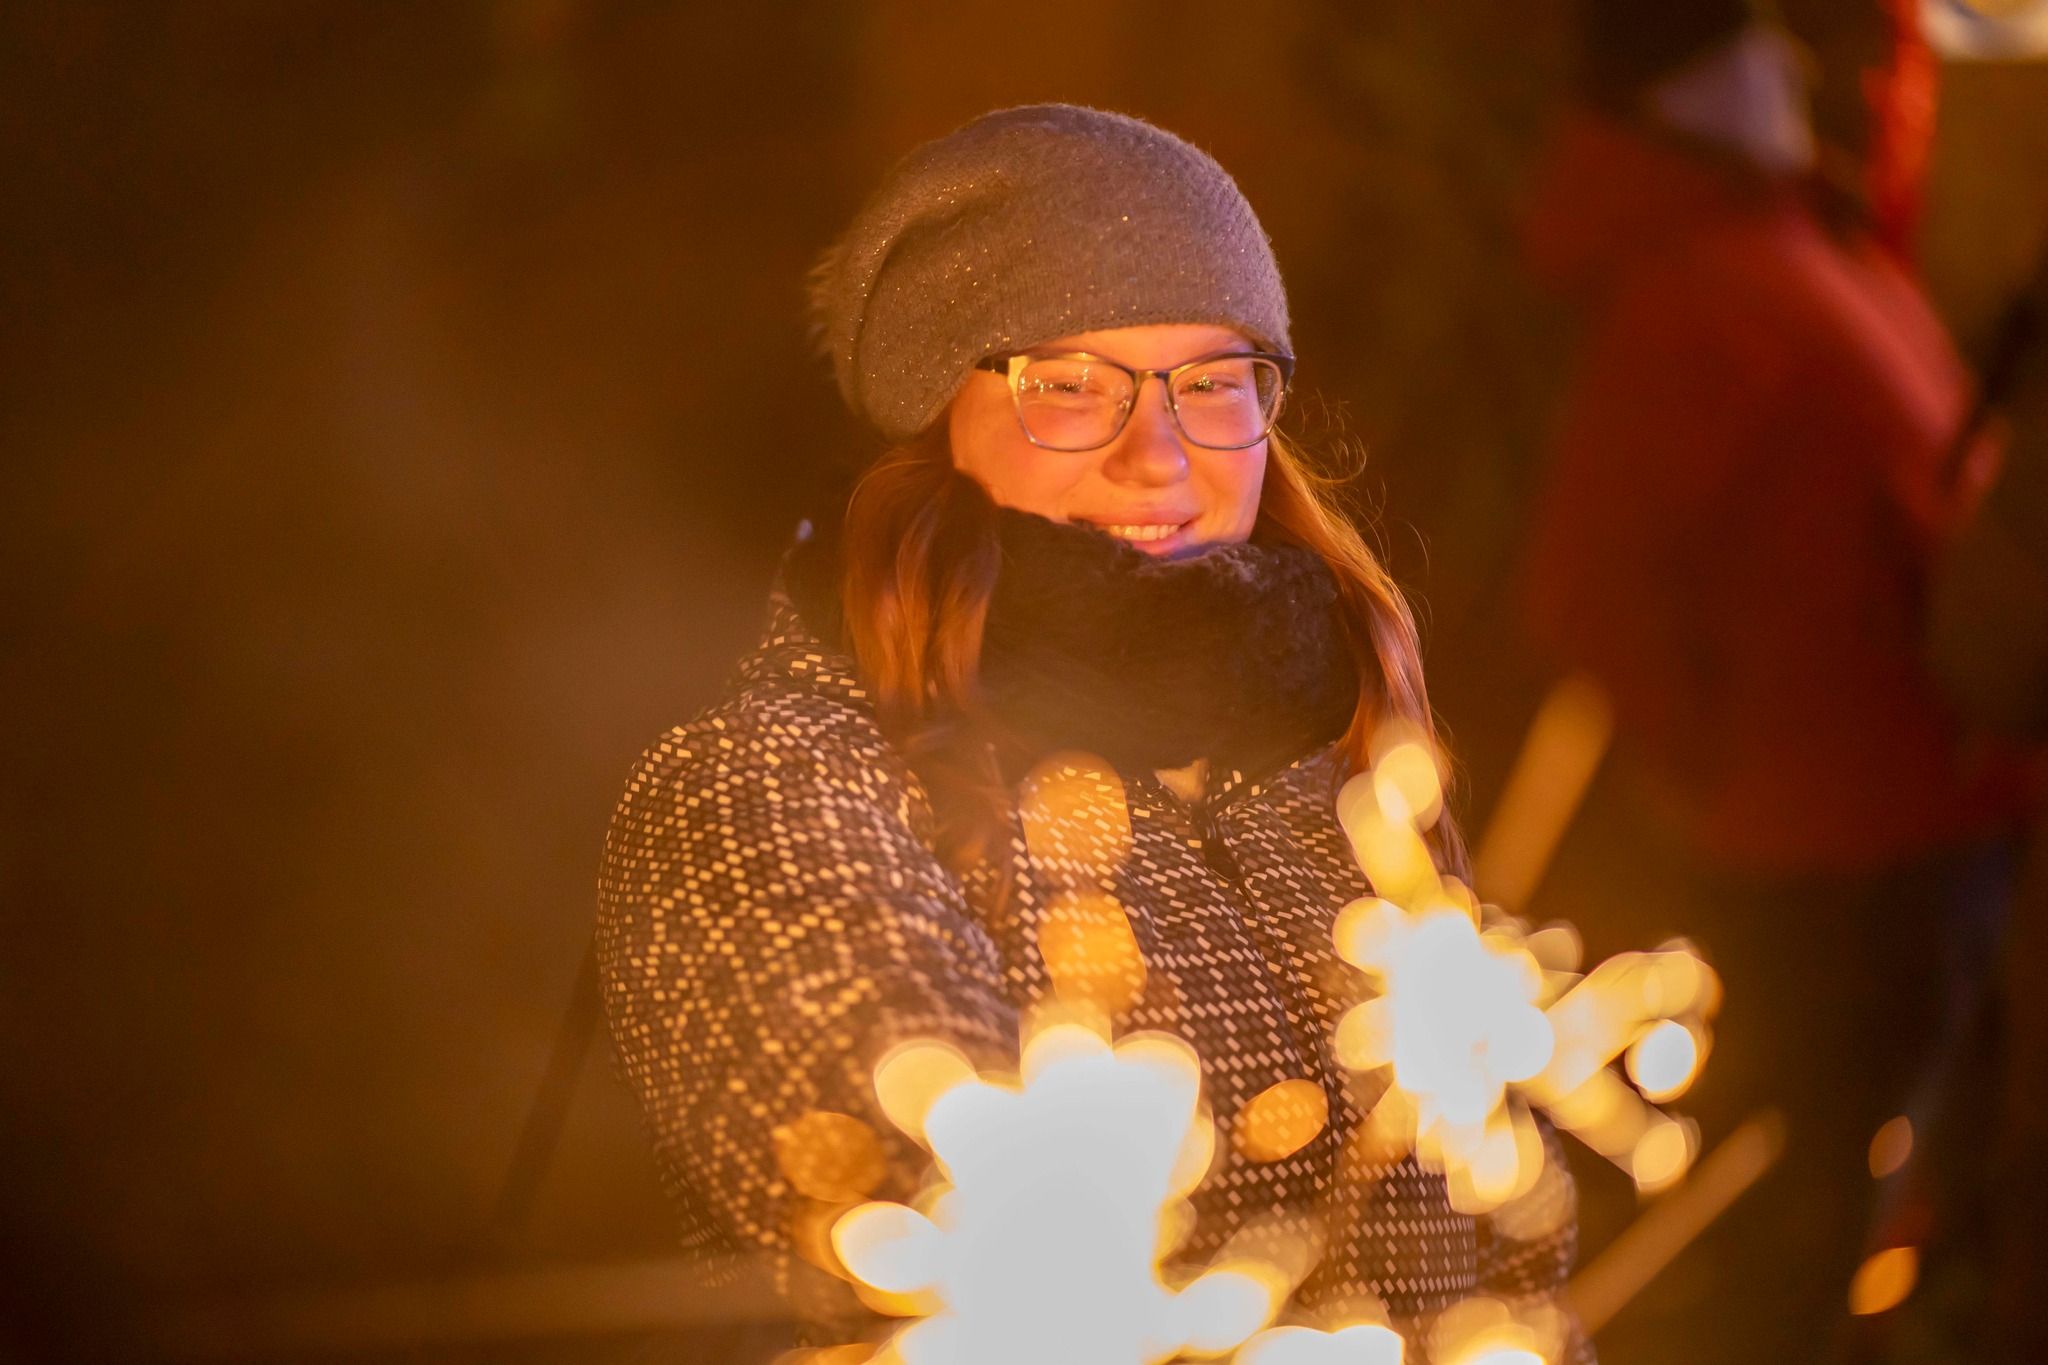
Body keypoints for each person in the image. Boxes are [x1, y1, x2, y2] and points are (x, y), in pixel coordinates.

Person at [598, 105, 1591, 1362]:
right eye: (1068, 388)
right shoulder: (767, 790)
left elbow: (1518, 1265)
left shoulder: (1330, 773)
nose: (1155, 455)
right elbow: (948, 1276)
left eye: (1212, 383)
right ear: (927, 426)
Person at [1517, 4, 2040, 1361]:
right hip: (1843, 845)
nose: (1800, 76)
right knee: (1813, 1194)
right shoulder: (1693, 291)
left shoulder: (1793, 248)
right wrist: (1724, 763)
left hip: (1925, 804)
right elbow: (1592, 584)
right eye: (1760, 53)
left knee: (1879, 1167)